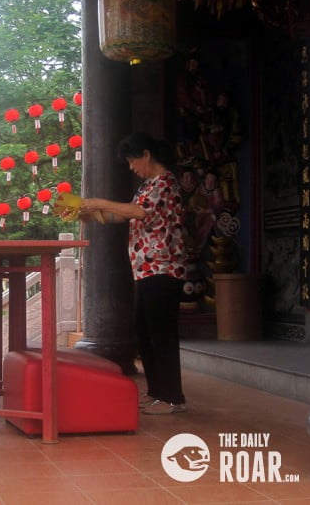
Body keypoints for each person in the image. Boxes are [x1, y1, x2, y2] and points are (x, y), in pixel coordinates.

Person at [80, 132, 188, 415]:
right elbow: (126, 214)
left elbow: (139, 213)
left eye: (132, 160)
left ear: (146, 155)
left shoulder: (166, 182)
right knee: (145, 332)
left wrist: (98, 202)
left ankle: (172, 398)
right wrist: (91, 215)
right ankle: (158, 393)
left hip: (164, 268)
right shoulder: (147, 186)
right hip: (146, 270)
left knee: (161, 334)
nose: (131, 167)